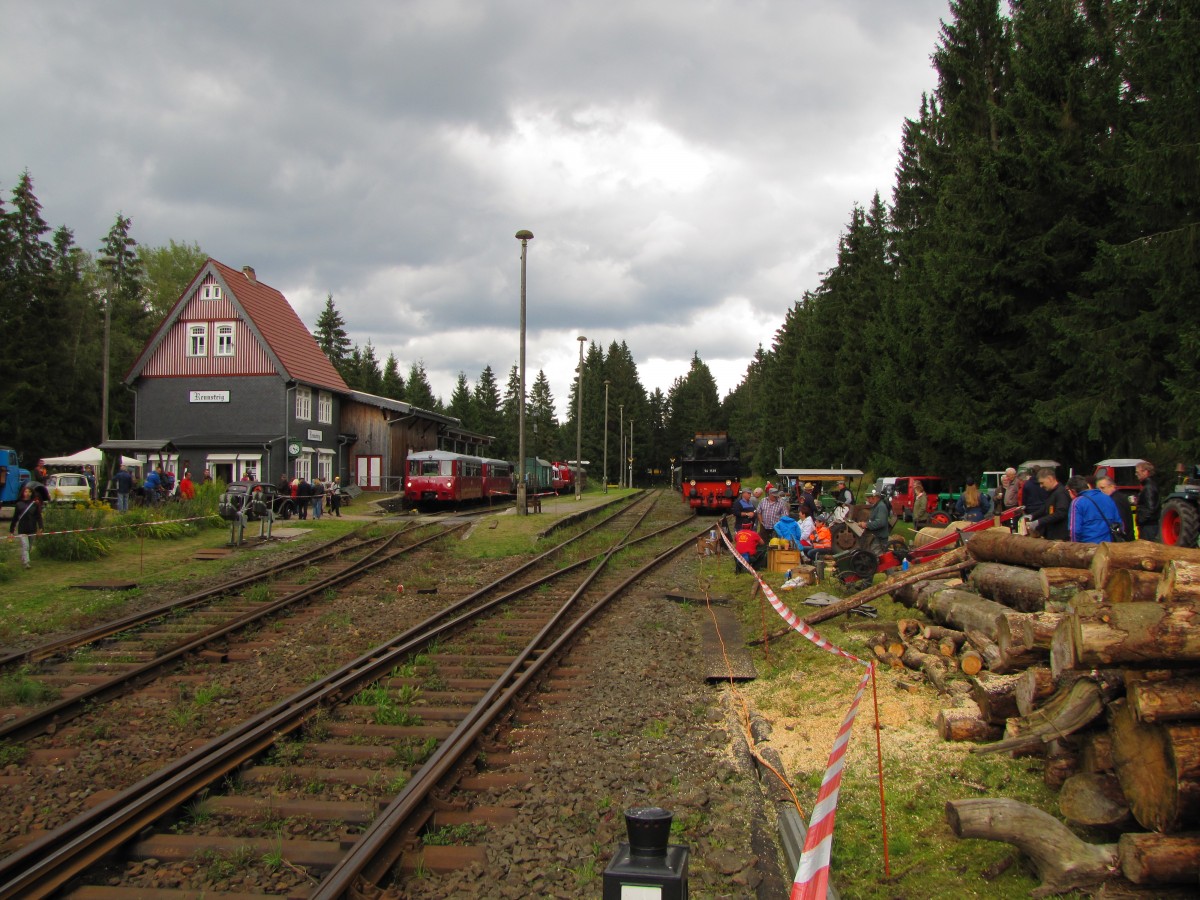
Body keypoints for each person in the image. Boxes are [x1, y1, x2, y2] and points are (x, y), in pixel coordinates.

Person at [1070, 476, 1123, 543]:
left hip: (1087, 546)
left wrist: (1074, 546)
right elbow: (1118, 522)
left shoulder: (1077, 502)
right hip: (1107, 545)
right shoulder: (1108, 498)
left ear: (1073, 491)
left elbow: (1074, 530)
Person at [1028, 467, 1071, 541]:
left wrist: (1039, 521)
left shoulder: (1060, 493)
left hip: (1060, 536)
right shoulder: (1052, 493)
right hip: (1052, 535)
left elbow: (1061, 513)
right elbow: (1045, 508)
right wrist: (1032, 515)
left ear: (1050, 479)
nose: (1041, 486)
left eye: (1042, 483)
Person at [8, 484, 44, 569]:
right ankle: (26, 563)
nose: (27, 493)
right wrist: (11, 531)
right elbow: (15, 518)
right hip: (22, 529)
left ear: (31, 493)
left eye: (29, 492)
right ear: (23, 493)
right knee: (25, 546)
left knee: (29, 547)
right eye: (25, 491)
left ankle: (24, 558)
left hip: (32, 529)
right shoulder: (19, 504)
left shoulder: (34, 504)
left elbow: (38, 517)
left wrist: (41, 527)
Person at [1098, 476, 1134, 540]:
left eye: (1102, 488)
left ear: (1112, 486)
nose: (1100, 491)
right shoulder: (1119, 497)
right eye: (1098, 489)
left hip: (1122, 539)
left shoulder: (1114, 500)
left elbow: (1120, 522)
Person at [1135, 461, 1160, 542]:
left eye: (1137, 472)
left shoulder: (1148, 487)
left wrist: (1141, 520)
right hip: (1149, 525)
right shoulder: (1150, 485)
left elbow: (1151, 507)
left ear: (1145, 472)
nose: (1136, 474)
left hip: (1148, 526)